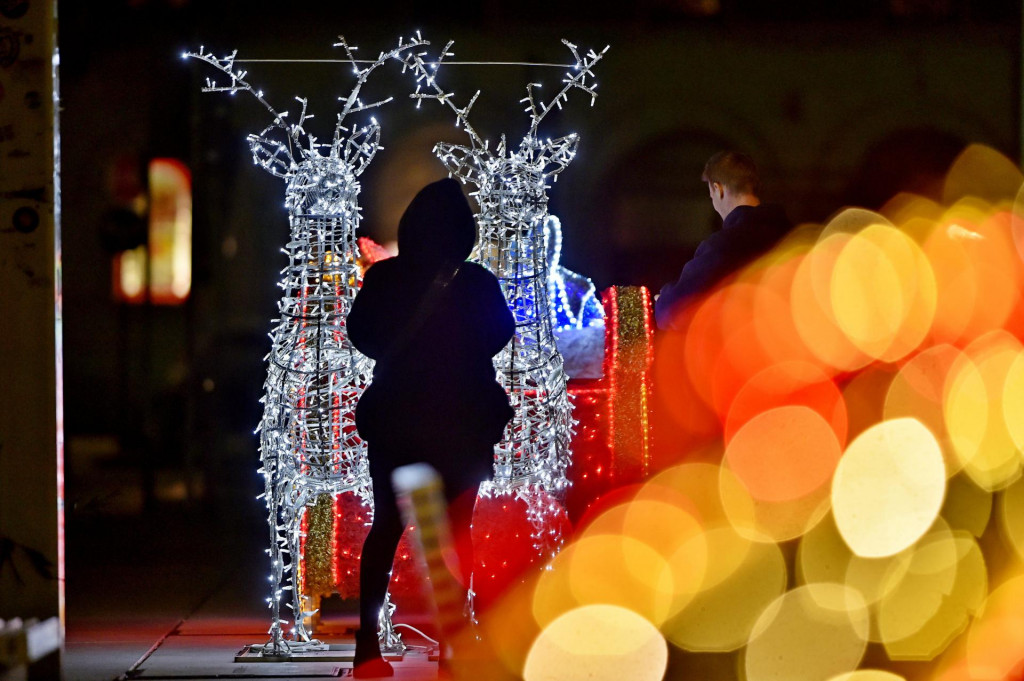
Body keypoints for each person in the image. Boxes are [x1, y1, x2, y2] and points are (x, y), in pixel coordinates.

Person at [346, 177, 515, 678]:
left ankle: (367, 644)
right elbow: (500, 334)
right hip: (463, 420)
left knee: (386, 528)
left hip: (399, 419)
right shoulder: (477, 281)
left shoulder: (385, 279)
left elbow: (363, 336)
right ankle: (449, 645)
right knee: (456, 532)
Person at [654, 151, 792, 330]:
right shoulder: (792, 235)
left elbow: (674, 309)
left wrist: (663, 298)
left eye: (710, 193)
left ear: (717, 190)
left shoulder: (724, 246)